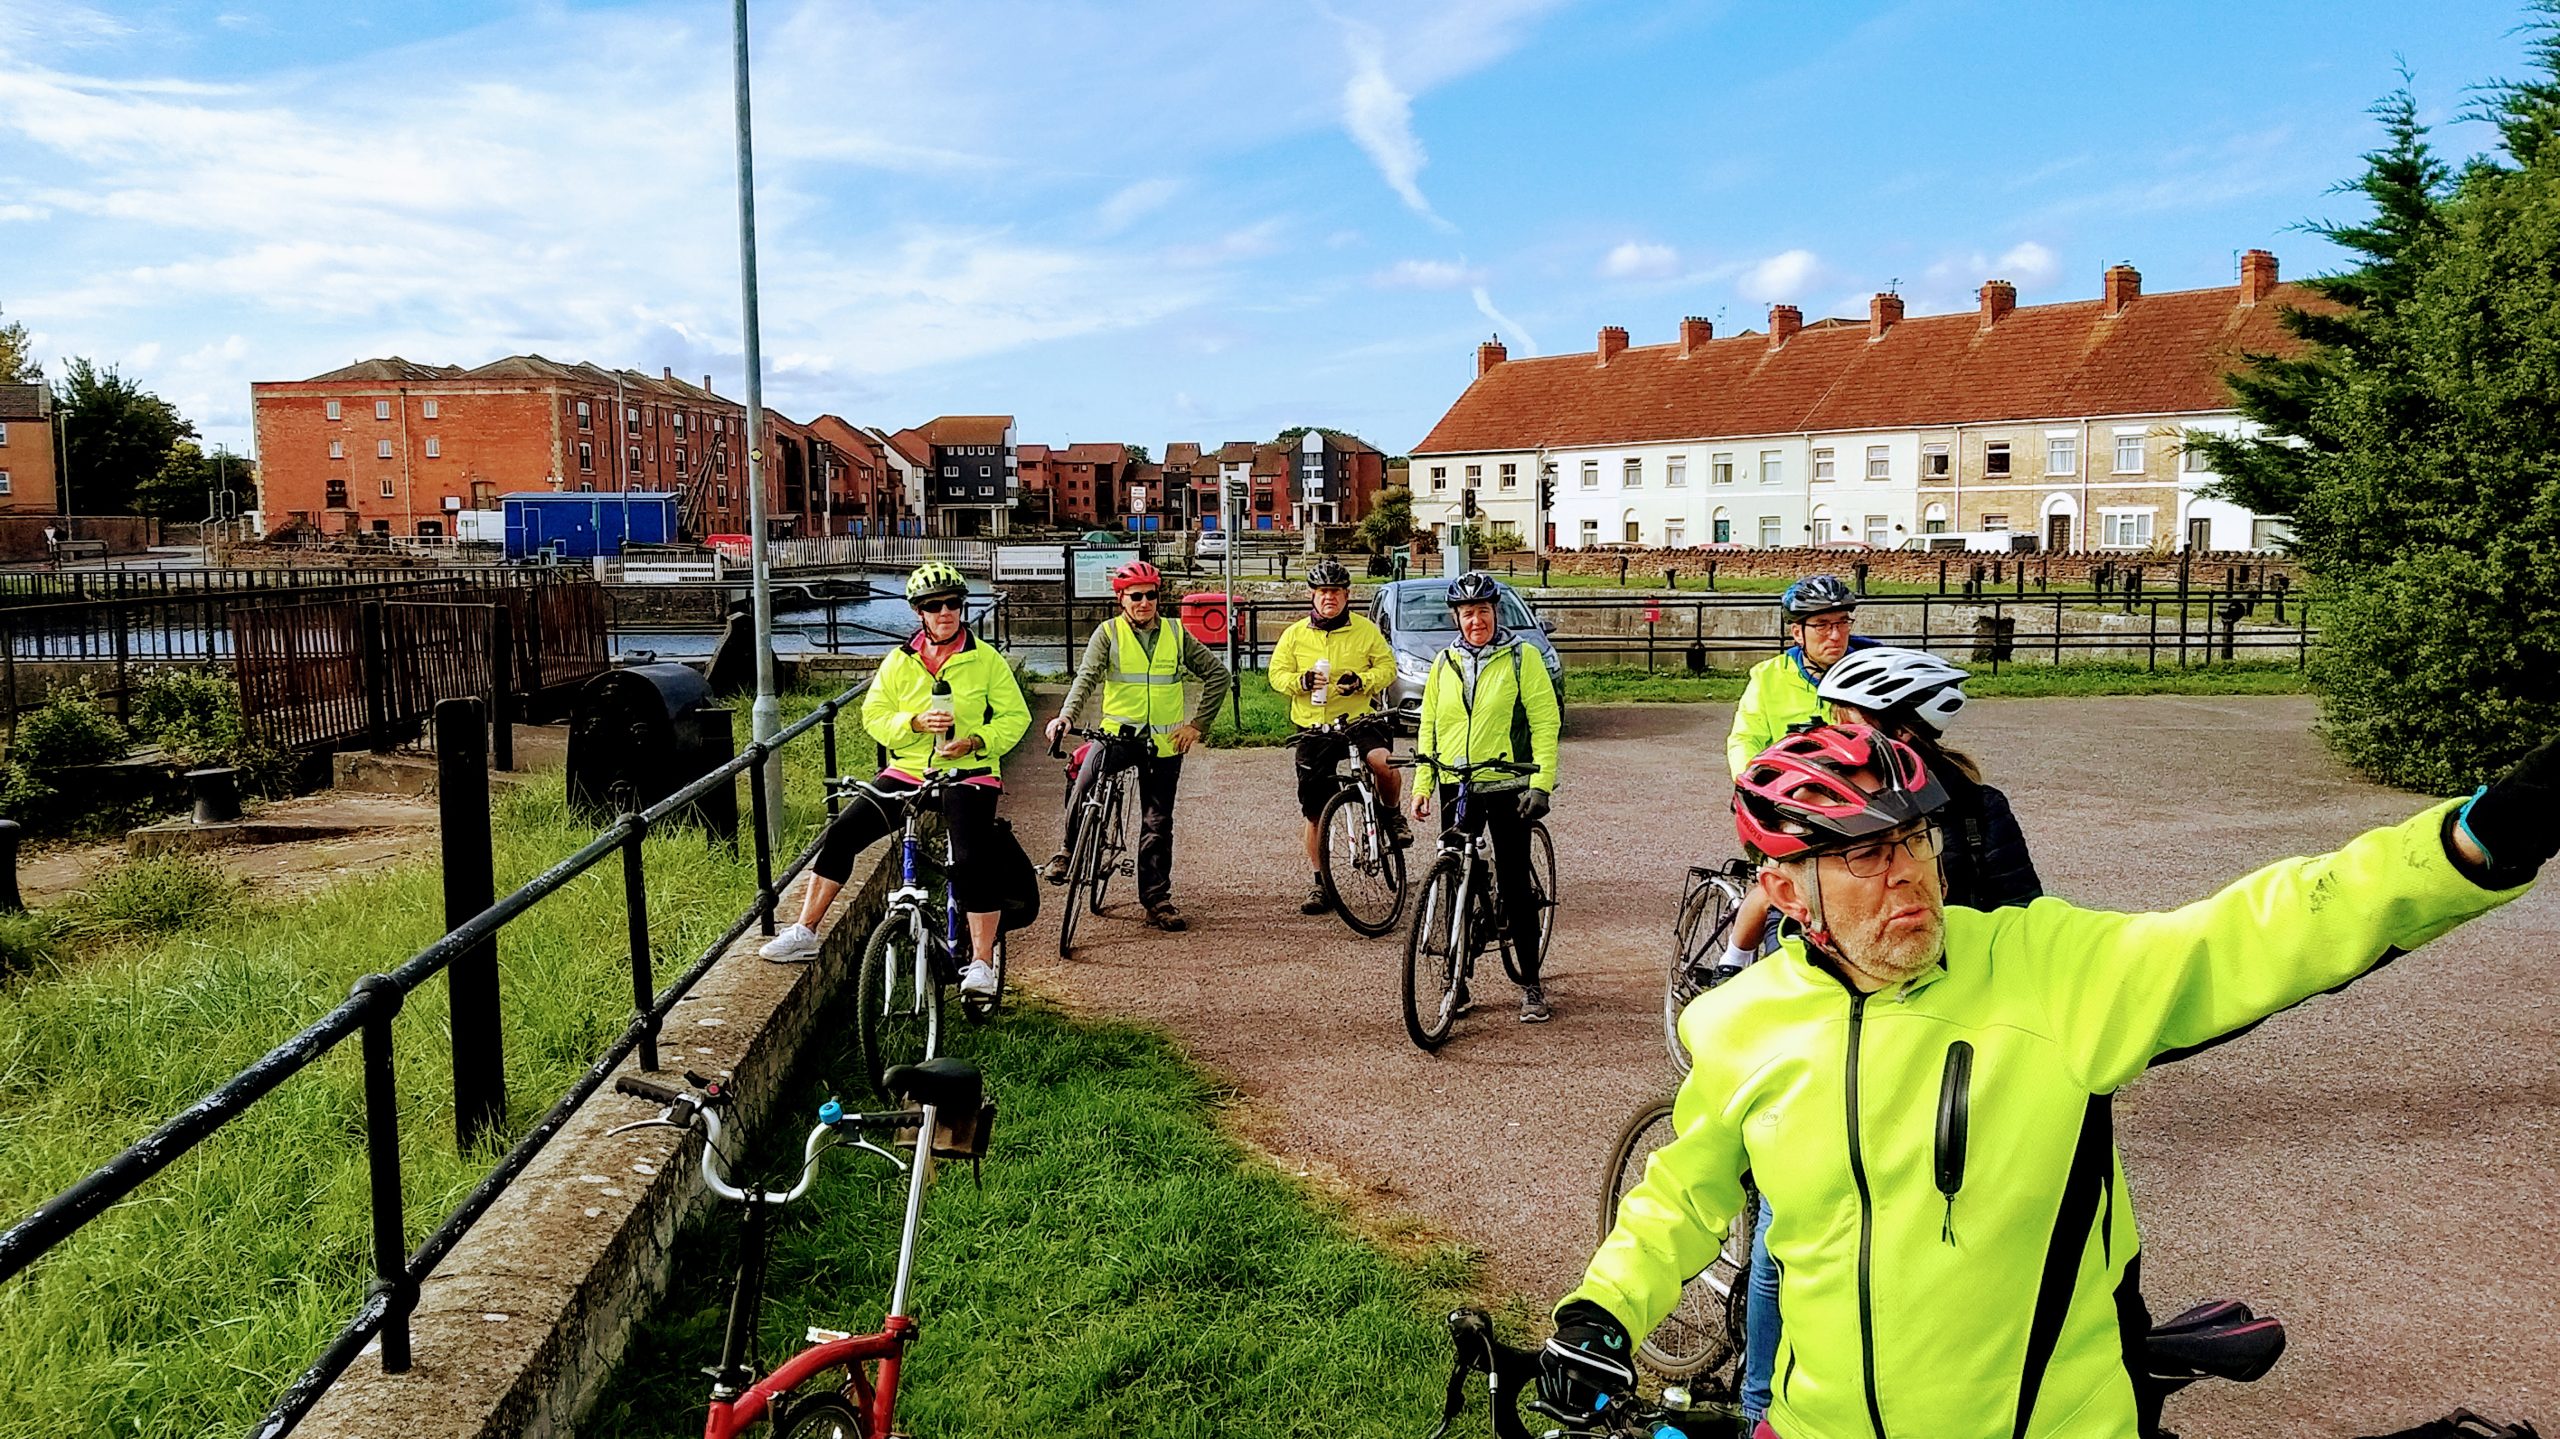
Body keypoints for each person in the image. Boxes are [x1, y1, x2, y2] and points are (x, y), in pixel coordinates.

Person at [1541, 722, 2559, 1439]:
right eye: (1858, 854)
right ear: (1779, 889)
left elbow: (2263, 927)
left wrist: (2480, 836)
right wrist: (1601, 1309)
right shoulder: (1738, 1025)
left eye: (1910, 839)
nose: (1902, 871)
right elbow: (1681, 1194)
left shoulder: (2046, 968)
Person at [1714, 647, 2042, 1431]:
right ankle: (1765, 1399)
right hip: (1898, 1028)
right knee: (1793, 1221)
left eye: (1851, 718)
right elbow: (1779, 879)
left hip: (1933, 1031)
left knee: (1836, 1221)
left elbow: (2022, 921)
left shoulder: (1969, 807)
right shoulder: (1964, 803)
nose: (1839, 732)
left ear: (1900, 727)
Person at [760, 562, 1027, 1003]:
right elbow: (874, 716)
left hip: (970, 772)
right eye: (934, 606)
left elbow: (1016, 717)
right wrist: (915, 723)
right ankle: (805, 931)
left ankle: (981, 963)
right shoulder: (900, 662)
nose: (946, 612)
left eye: (954, 604)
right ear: (919, 612)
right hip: (908, 769)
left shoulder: (986, 660)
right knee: (843, 833)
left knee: (970, 858)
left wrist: (976, 740)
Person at [1041, 559, 1232, 931]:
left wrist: (1197, 726)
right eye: (1136, 597)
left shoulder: (1177, 634)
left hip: (1163, 744)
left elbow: (1218, 676)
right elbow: (1087, 678)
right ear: (1121, 599)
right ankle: (1068, 849)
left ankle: (1157, 899)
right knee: (1083, 781)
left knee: (1157, 823)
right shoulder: (1108, 633)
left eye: (1151, 595)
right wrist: (1065, 716)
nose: (1144, 603)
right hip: (1117, 736)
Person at [1411, 570, 1563, 1022]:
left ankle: (1531, 984)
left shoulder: (1523, 657)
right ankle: (1457, 981)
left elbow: (1544, 721)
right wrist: (1423, 783)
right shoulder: (1445, 662)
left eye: (1483, 611)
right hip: (1457, 783)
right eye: (1467, 613)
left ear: (1495, 612)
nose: (1475, 620)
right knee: (1455, 876)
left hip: (1508, 781)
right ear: (1456, 617)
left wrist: (1542, 783)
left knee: (1515, 883)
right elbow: (1430, 726)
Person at [1271, 558, 1406, 913]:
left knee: (1384, 764)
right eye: (1322, 592)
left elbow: (1388, 667)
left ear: (1347, 595)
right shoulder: (1295, 634)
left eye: (1335, 592)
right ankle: (1320, 883)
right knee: (1315, 813)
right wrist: (1298, 683)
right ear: (1312, 595)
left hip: (1359, 719)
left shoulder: (1365, 630)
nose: (1328, 598)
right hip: (1315, 726)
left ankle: (1391, 813)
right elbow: (1276, 674)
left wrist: (1363, 681)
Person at [1723, 574, 1873, 776]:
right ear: (1797, 633)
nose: (1836, 635)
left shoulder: (1872, 672)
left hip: (1861, 789)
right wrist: (1750, 781)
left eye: (1842, 622)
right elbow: (1746, 739)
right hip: (1792, 788)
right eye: (1822, 625)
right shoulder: (1769, 676)